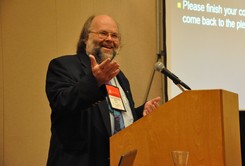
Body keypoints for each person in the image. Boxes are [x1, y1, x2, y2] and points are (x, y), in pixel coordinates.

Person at [45, 14, 161, 166]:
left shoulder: (120, 77)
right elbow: (63, 103)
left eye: (114, 35)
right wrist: (94, 82)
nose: (110, 39)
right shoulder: (63, 66)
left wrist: (139, 113)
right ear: (86, 38)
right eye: (103, 33)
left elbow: (115, 116)